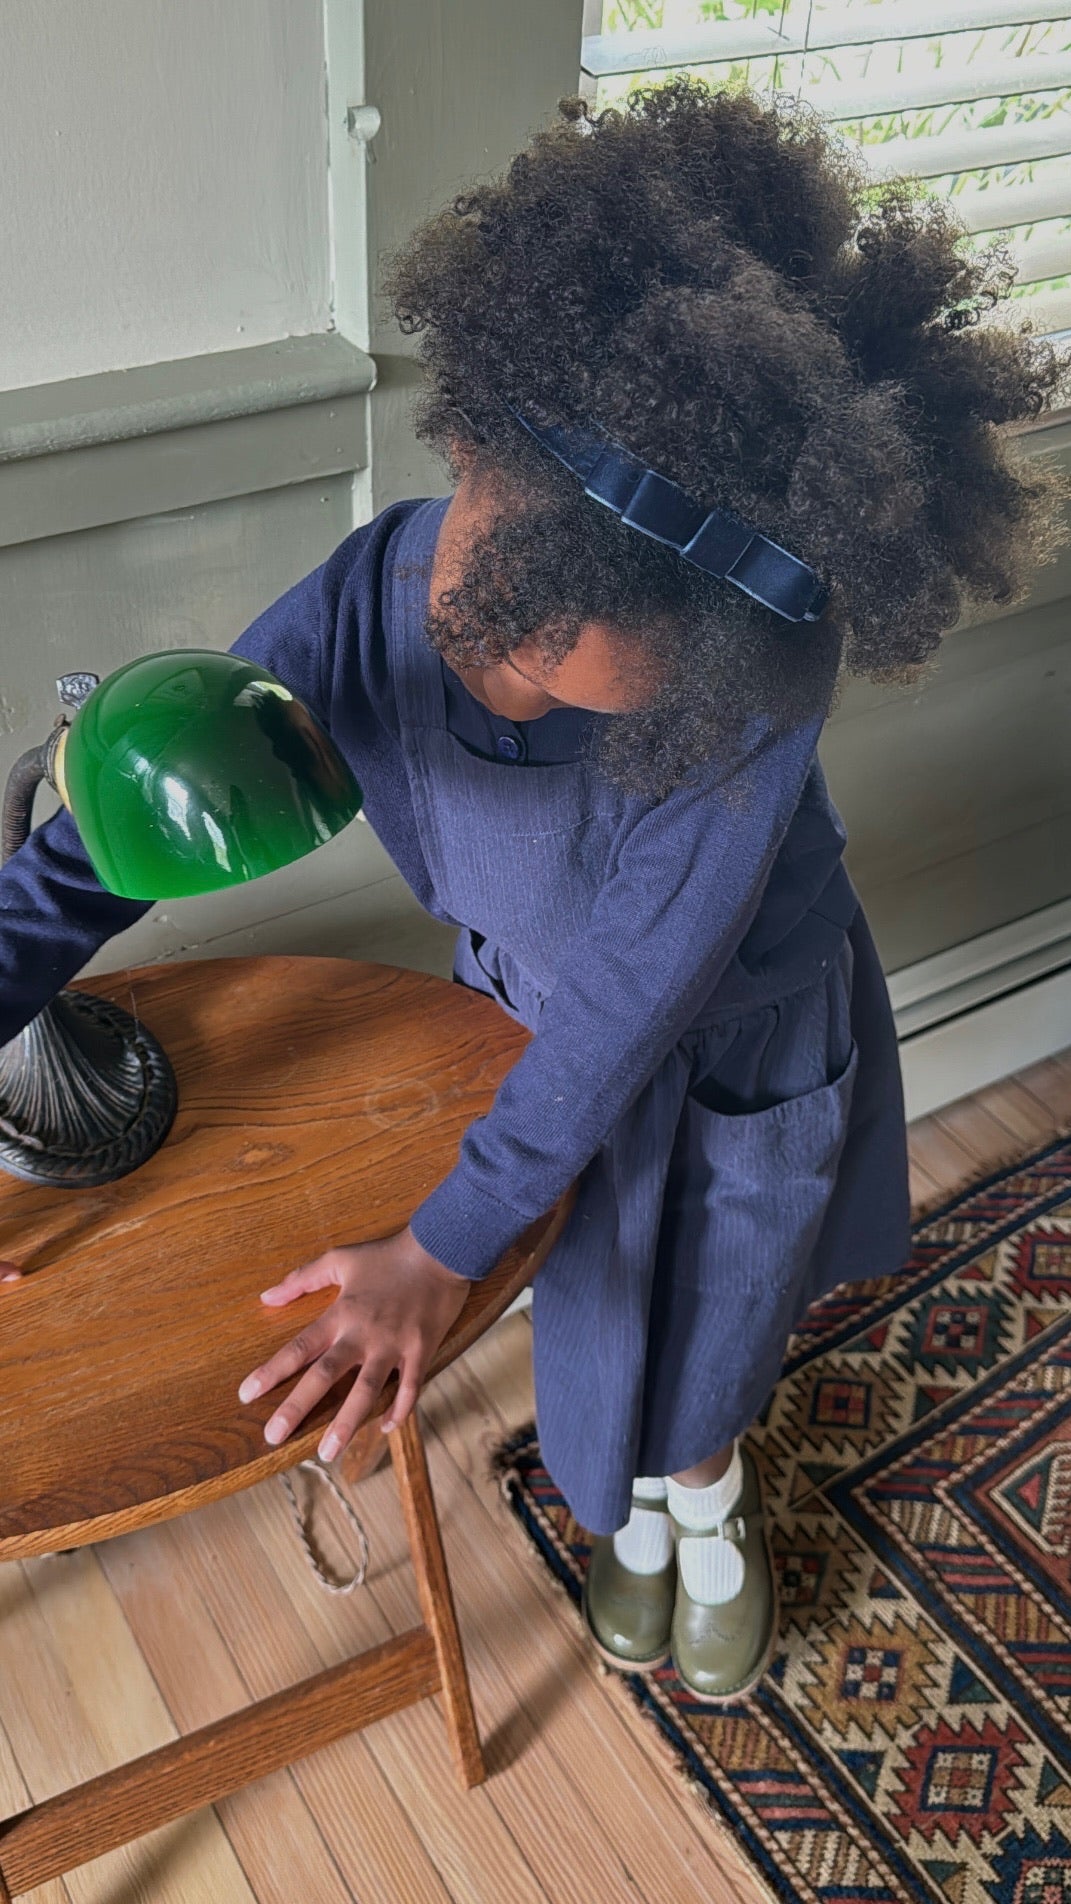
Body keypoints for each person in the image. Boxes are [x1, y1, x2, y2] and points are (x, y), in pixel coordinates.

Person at [1, 81, 1065, 1702]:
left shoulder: (751, 698)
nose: (502, 687)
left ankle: (704, 1497)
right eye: (479, 629)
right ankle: (617, 1498)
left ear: (716, 662)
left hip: (733, 1048)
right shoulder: (367, 599)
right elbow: (114, 843)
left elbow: (640, 995)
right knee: (590, 1297)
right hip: (524, 1019)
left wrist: (440, 1243)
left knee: (714, 1308)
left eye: (575, 685)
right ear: (466, 439)